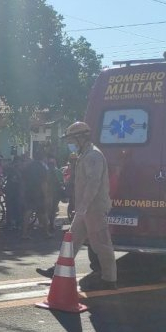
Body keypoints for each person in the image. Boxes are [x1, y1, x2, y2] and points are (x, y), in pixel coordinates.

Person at [36, 121, 117, 290]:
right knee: (71, 240)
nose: (69, 144)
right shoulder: (84, 155)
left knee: (101, 243)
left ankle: (109, 279)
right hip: (85, 208)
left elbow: (93, 184)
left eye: (71, 139)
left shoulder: (93, 156)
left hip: (93, 208)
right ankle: (58, 270)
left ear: (81, 138)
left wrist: (84, 206)